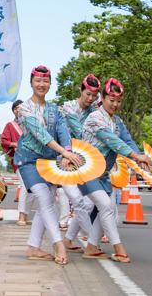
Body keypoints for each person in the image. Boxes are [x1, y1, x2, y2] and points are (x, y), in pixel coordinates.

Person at [14, 66, 82, 265]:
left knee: (47, 204)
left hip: (51, 162)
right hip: (28, 161)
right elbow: (40, 134)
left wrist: (67, 151)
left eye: (45, 81)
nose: (41, 85)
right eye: (37, 81)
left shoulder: (55, 109)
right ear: (31, 83)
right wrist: (64, 152)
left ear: (50, 84)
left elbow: (62, 130)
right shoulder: (25, 108)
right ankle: (60, 245)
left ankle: (33, 247)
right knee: (45, 200)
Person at [80, 79, 152, 263]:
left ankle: (91, 248)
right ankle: (119, 249)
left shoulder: (117, 121)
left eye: (118, 101)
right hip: (87, 171)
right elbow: (113, 141)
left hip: (103, 174)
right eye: (111, 100)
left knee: (108, 207)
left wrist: (139, 158)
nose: (115, 104)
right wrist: (136, 156)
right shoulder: (95, 119)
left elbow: (127, 140)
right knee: (105, 205)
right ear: (102, 98)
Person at [61, 74, 101, 253]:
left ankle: (68, 240)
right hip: (64, 160)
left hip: (85, 162)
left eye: (94, 95)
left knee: (89, 203)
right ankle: (93, 242)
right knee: (77, 200)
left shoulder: (94, 113)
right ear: (81, 90)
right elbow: (80, 131)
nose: (91, 98)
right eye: (88, 94)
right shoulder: (69, 108)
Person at [0, 100, 31, 225]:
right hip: (19, 159)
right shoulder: (10, 125)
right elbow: (4, 140)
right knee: (24, 185)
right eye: (16, 108)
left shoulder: (31, 124)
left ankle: (25, 214)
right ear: (13, 110)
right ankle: (21, 216)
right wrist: (14, 144)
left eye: (20, 108)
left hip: (32, 159)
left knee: (32, 187)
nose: (18, 110)